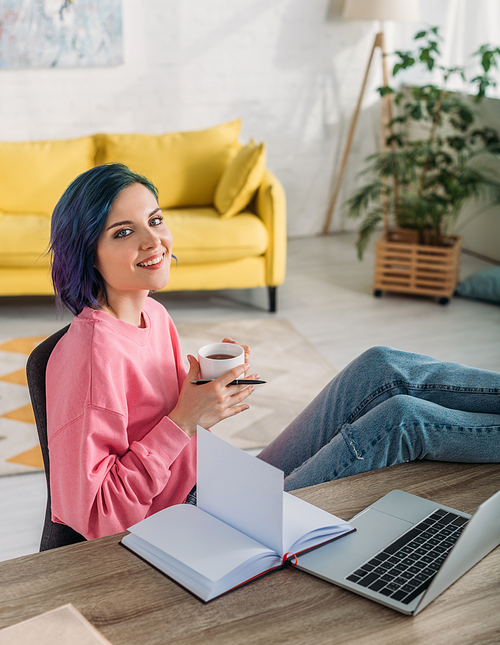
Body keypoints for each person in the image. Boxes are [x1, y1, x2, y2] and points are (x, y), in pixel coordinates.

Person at [46, 164, 500, 541]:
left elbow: (157, 424)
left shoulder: (155, 315)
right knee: (402, 420)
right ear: (88, 254)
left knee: (380, 366)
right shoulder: (89, 355)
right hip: (183, 531)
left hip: (218, 487)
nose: (152, 241)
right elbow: (97, 519)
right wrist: (185, 418)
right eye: (124, 232)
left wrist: (202, 393)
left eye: (156, 220)